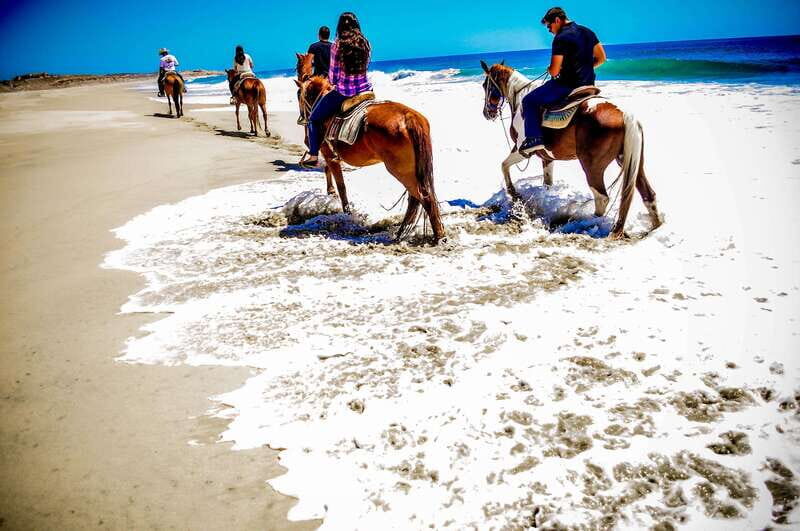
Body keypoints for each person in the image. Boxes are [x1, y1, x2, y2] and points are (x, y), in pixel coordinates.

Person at [519, 7, 606, 157]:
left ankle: (534, 139)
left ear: (557, 20)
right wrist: (583, 67)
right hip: (589, 84)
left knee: (528, 100)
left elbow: (554, 71)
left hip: (566, 86)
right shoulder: (588, 32)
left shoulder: (560, 38)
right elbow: (601, 58)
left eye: (549, 26)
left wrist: (553, 68)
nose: (549, 30)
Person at [300, 12, 373, 168]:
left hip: (344, 93)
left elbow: (333, 77)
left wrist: (335, 82)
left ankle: (313, 155)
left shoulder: (337, 45)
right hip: (366, 90)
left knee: (313, 118)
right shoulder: (366, 43)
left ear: (340, 26)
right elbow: (366, 67)